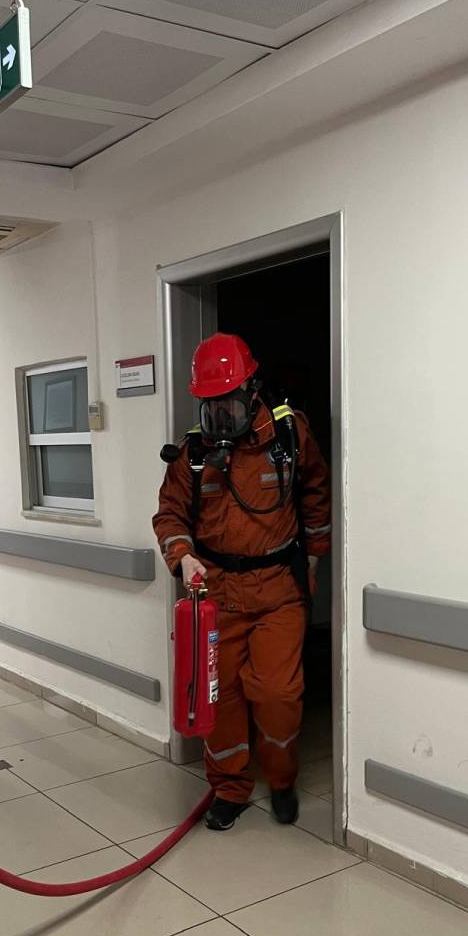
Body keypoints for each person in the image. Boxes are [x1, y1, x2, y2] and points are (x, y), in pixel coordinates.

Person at [153, 333, 331, 831]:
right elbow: (169, 515)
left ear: (252, 392)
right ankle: (229, 788)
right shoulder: (192, 453)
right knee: (220, 696)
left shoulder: (289, 435)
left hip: (278, 590)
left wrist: (314, 559)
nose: (220, 416)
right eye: (210, 406)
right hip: (217, 593)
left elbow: (316, 493)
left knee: (277, 694)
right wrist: (183, 558)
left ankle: (281, 781)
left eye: (228, 404)